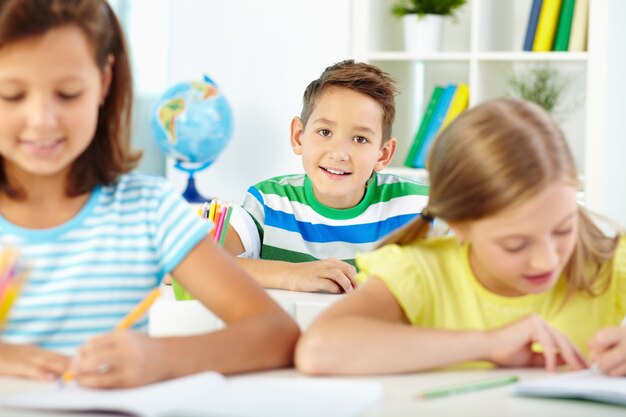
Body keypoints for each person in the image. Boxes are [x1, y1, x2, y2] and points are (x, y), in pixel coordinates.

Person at [0, 0, 299, 388]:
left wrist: (163, 358)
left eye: (69, 93)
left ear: (104, 81)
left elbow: (277, 333)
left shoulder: (148, 210)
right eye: (11, 95)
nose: (42, 119)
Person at [295, 98, 626, 376]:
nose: (548, 259)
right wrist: (490, 344)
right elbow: (319, 350)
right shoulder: (420, 272)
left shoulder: (611, 264)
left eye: (564, 229)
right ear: (459, 224)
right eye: (515, 244)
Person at [224, 60, 429, 294]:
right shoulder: (269, 203)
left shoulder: (417, 206)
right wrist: (290, 274)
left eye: (360, 139)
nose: (339, 154)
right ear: (299, 136)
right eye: (325, 132)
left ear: (383, 154)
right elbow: (182, 266)